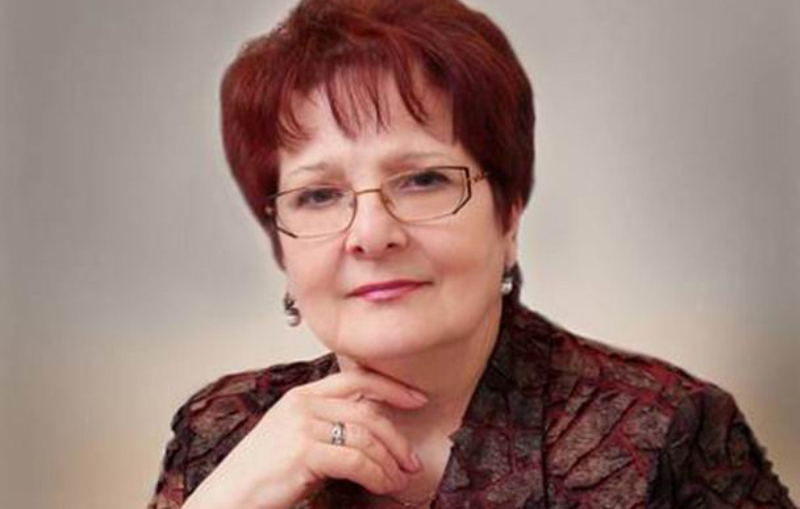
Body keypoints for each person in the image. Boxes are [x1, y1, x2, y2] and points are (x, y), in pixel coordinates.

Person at [146, 0, 796, 507]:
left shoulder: (665, 433)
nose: (370, 233)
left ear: (508, 214)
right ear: (280, 244)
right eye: (318, 195)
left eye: (423, 180)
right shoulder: (223, 433)